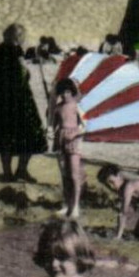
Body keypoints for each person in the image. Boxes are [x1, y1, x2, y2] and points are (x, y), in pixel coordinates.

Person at [0, 23, 50, 182]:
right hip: (19, 99)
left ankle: (7, 172)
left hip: (0, 99)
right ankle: (21, 169)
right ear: (18, 37)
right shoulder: (16, 51)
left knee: (5, 136)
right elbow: (22, 73)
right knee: (29, 133)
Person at [51, 70, 84, 218]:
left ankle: (76, 205)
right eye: (62, 93)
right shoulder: (58, 107)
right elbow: (54, 124)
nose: (64, 95)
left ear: (71, 92)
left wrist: (76, 134)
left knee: (74, 175)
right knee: (64, 174)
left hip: (74, 140)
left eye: (67, 92)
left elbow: (85, 124)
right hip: (60, 139)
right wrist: (51, 132)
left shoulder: (76, 106)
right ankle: (66, 204)